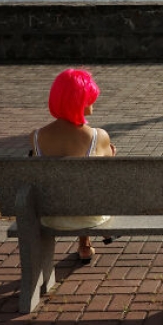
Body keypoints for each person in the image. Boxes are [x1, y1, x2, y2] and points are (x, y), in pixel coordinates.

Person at [28, 69, 116, 264]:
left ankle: (85, 243)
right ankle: (91, 239)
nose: (93, 102)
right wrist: (111, 153)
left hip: (50, 217)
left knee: (68, 183)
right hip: (90, 218)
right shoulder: (99, 136)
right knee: (89, 183)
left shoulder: (36, 137)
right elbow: (109, 175)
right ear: (80, 101)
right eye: (90, 98)